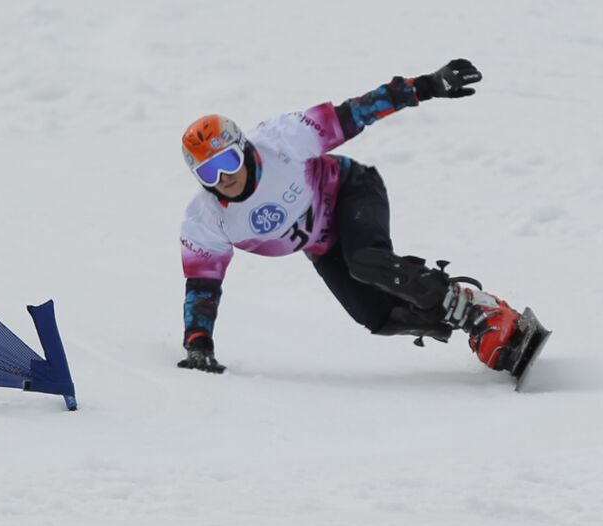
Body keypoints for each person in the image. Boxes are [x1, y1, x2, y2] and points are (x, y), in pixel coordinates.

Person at [176, 59, 524, 376]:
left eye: (228, 162)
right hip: (322, 245)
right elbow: (202, 288)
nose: (224, 179)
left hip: (351, 190)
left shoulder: (281, 140)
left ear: (243, 148)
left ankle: (480, 314)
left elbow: (356, 112)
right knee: (376, 316)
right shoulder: (205, 220)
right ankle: (466, 317)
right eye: (209, 173)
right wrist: (198, 343)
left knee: (365, 261)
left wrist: (427, 86)